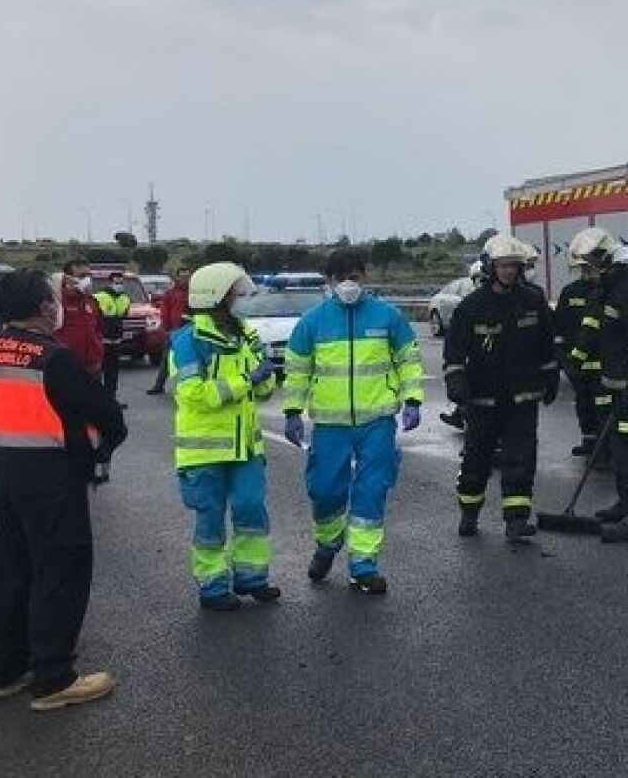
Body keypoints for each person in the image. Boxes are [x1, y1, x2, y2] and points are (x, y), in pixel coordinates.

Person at [0, 269, 126, 711]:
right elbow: (106, 414)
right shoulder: (51, 358)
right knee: (59, 574)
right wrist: (99, 450)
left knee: (13, 573)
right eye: (52, 299)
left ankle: (7, 670)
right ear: (43, 308)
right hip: (52, 478)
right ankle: (54, 677)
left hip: (3, 473)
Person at [282, 251, 424, 594]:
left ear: (365, 277)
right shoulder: (312, 321)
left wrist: (413, 400)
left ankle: (363, 565)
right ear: (329, 280)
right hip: (330, 425)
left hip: (377, 421)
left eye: (355, 276)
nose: (349, 283)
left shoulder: (388, 316)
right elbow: (297, 371)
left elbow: (409, 361)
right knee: (324, 491)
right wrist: (292, 411)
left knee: (371, 491)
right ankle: (328, 543)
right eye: (341, 277)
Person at [169, 262, 281, 612]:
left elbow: (263, 391)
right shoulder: (189, 341)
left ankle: (253, 579)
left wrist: (266, 377)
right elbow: (194, 394)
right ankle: (213, 587)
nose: (241, 298)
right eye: (235, 293)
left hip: (245, 447)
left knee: (251, 510)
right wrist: (246, 380)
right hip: (204, 451)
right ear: (215, 295)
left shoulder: (245, 334)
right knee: (210, 520)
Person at [443, 236, 558, 540]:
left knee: (521, 459)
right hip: (483, 399)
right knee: (476, 459)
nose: (509, 271)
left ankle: (516, 520)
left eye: (514, 266)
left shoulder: (532, 301)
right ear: (491, 268)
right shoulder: (471, 306)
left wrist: (550, 376)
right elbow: (454, 351)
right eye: (503, 265)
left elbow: (546, 344)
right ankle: (469, 512)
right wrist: (455, 381)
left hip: (522, 398)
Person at [565, 227, 628, 543]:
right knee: (618, 443)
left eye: (587, 269)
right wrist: (575, 359)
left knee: (625, 443)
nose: (585, 276)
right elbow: (595, 329)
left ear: (604, 261)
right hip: (617, 382)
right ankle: (626, 504)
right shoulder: (609, 288)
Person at [554, 255, 606, 461]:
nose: (587, 273)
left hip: (602, 364)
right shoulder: (570, 292)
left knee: (602, 407)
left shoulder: (606, 292)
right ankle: (589, 441)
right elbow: (559, 325)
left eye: (590, 268)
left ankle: (603, 449)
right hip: (576, 363)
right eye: (584, 269)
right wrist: (563, 358)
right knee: (583, 405)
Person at [438, 260, 487, 432]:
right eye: (478, 279)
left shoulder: (521, 298)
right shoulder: (469, 305)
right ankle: (461, 416)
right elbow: (455, 346)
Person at [54, 260, 104, 386]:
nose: (87, 279)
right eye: (82, 276)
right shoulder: (57, 302)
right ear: (68, 279)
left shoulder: (91, 301)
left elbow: (98, 328)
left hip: (92, 366)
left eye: (88, 275)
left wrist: (98, 352)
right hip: (67, 366)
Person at [147, 266, 192, 395]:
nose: (184, 279)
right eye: (182, 276)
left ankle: (186, 387)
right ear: (177, 277)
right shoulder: (170, 293)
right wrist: (166, 329)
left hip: (190, 330)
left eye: (187, 277)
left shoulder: (194, 293)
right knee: (167, 359)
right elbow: (164, 312)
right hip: (174, 331)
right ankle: (159, 385)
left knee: (189, 360)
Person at [92, 275, 132, 406]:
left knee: (113, 374)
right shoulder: (99, 297)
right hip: (101, 342)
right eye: (116, 282)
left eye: (121, 282)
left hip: (116, 342)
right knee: (97, 372)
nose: (119, 285)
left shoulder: (125, 299)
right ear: (109, 283)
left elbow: (123, 316)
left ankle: (110, 401)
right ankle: (97, 401)